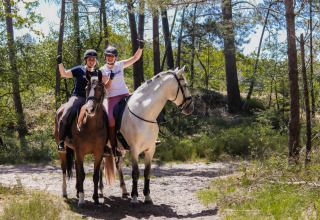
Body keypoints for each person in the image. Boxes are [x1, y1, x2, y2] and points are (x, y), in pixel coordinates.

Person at [100, 40, 144, 157]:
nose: (110, 58)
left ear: (115, 57)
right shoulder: (102, 70)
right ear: (106, 57)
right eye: (108, 56)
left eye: (112, 56)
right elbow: (107, 87)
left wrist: (140, 48)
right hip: (112, 97)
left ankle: (146, 140)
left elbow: (135, 58)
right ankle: (113, 147)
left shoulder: (120, 65)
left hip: (125, 94)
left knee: (140, 111)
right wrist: (111, 78)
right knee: (110, 120)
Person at [56, 49, 99, 152]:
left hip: (92, 99)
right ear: (85, 60)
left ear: (96, 61)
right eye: (89, 59)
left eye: (93, 60)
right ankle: (62, 141)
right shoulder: (79, 69)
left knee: (104, 115)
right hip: (78, 97)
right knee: (65, 114)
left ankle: (105, 143)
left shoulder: (98, 73)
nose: (91, 61)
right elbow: (64, 74)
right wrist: (60, 63)